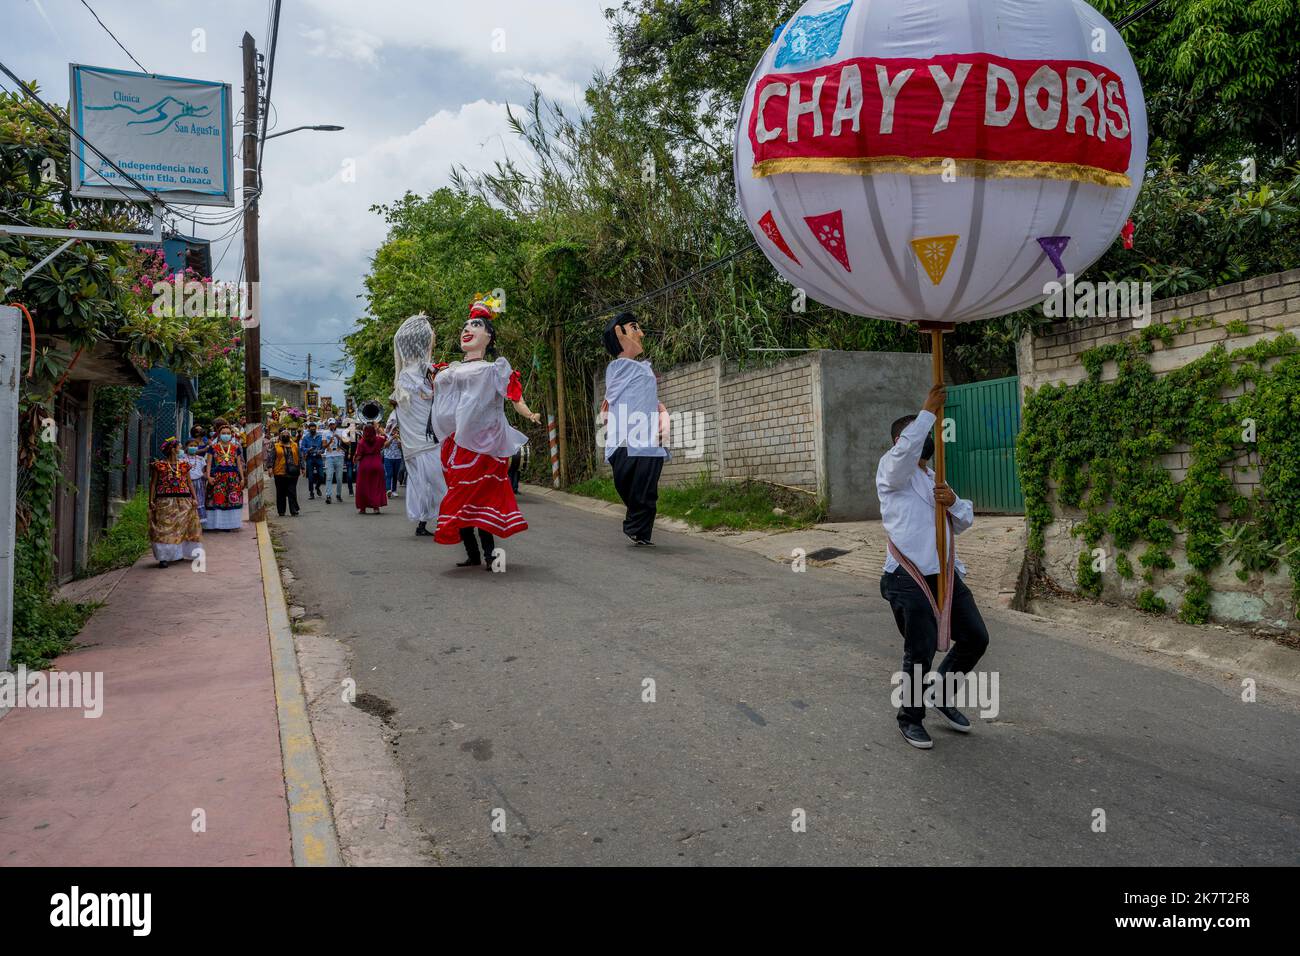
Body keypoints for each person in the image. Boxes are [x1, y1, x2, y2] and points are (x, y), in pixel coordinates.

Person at [877, 384, 990, 751]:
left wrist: (953, 500)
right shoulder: (891, 471)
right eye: (920, 432)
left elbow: (963, 520)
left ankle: (940, 693)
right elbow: (907, 450)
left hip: (946, 575)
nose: (927, 438)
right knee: (919, 652)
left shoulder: (931, 477)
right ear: (902, 439)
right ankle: (909, 718)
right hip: (908, 578)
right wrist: (927, 411)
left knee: (976, 637)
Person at [431, 299, 541, 567]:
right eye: (466, 325)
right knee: (460, 499)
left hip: (485, 449)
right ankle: (472, 554)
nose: (467, 329)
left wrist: (529, 413)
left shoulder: (494, 370)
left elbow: (514, 395)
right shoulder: (450, 371)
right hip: (457, 446)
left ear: (488, 337)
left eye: (476, 325)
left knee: (481, 500)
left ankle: (491, 555)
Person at [601, 311, 670, 546]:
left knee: (647, 491)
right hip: (625, 442)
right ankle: (636, 527)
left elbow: (645, 396)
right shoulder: (618, 366)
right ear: (619, 333)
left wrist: (661, 410)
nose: (640, 333)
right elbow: (613, 390)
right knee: (629, 485)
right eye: (634, 328)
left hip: (648, 441)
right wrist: (608, 401)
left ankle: (641, 532)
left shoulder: (642, 369)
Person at [391, 314, 448, 537]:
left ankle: (426, 522)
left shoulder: (422, 372)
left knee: (429, 481)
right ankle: (445, 520)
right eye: (430, 336)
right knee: (434, 479)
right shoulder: (412, 375)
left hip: (425, 438)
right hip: (422, 439)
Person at [148, 437, 202, 568]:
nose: (181, 449)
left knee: (183, 526)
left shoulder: (184, 465)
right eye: (179, 447)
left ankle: (181, 553)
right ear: (173, 449)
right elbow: (153, 483)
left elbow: (189, 483)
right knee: (164, 528)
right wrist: (151, 499)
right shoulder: (159, 465)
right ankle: (163, 557)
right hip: (164, 500)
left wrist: (195, 498)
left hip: (184, 499)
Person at [206, 423, 246, 531]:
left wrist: (242, 478)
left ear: (231, 435)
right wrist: (209, 476)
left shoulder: (235, 448)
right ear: (218, 435)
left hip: (233, 477)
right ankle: (218, 525)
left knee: (232, 499)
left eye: (228, 433)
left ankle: (232, 525)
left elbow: (239, 464)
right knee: (218, 499)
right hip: (218, 477)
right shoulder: (213, 448)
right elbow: (209, 463)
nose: (226, 435)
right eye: (223, 433)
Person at [353, 424, 388, 514]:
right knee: (376, 486)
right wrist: (378, 429)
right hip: (377, 464)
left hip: (365, 466)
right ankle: (376, 508)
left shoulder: (361, 442)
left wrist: (355, 459)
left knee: (363, 487)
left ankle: (362, 508)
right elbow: (385, 436)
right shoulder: (379, 439)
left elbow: (359, 456)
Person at [271, 429, 302, 517]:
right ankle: (281, 511)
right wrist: (270, 468)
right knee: (280, 492)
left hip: (293, 472)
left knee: (292, 491)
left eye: (286, 434)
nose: (285, 436)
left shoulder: (295, 445)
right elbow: (272, 457)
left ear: (289, 436)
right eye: (283, 435)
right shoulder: (276, 446)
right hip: (279, 472)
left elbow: (300, 457)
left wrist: (303, 467)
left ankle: (294, 510)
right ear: (280, 436)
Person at [182, 437, 208, 529]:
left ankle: (197, 524)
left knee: (199, 501)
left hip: (199, 483)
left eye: (195, 446)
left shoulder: (201, 459)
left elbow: (204, 471)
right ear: (186, 447)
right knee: (187, 502)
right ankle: (187, 523)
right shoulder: (182, 458)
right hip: (186, 483)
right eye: (191, 446)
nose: (193, 447)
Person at [321, 417, 346, 504]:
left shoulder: (341, 431)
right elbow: (324, 445)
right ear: (328, 425)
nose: (332, 425)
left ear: (336, 424)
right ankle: (328, 495)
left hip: (339, 455)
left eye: (333, 424)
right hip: (329, 456)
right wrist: (330, 442)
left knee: (339, 478)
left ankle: (338, 494)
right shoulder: (325, 432)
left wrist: (338, 437)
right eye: (330, 424)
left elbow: (346, 442)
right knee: (329, 477)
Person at [300, 421, 324, 499]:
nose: (313, 430)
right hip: (310, 458)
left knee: (321, 476)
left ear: (316, 428)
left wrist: (321, 451)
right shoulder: (306, 437)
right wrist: (308, 449)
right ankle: (311, 493)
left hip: (318, 457)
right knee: (310, 477)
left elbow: (323, 447)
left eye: (314, 428)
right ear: (309, 429)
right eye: (311, 428)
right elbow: (302, 448)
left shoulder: (320, 437)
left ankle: (317, 487)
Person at [382, 420, 403, 497]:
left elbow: (401, 448)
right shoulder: (386, 435)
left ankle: (394, 490)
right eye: (393, 428)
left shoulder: (399, 435)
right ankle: (388, 490)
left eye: (395, 429)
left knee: (395, 474)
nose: (394, 430)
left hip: (397, 457)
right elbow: (385, 445)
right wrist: (392, 438)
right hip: (388, 457)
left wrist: (399, 442)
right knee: (389, 474)